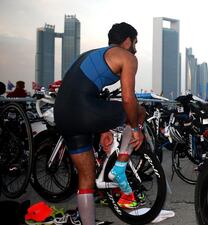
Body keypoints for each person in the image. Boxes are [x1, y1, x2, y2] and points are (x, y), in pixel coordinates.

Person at [54, 22, 145, 225]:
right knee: (138, 111)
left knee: (86, 177)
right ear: (128, 41)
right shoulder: (128, 57)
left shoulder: (89, 54)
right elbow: (128, 99)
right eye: (135, 42)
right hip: (84, 110)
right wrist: (136, 128)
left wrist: (103, 127)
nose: (136, 48)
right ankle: (120, 168)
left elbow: (85, 89)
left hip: (63, 114)